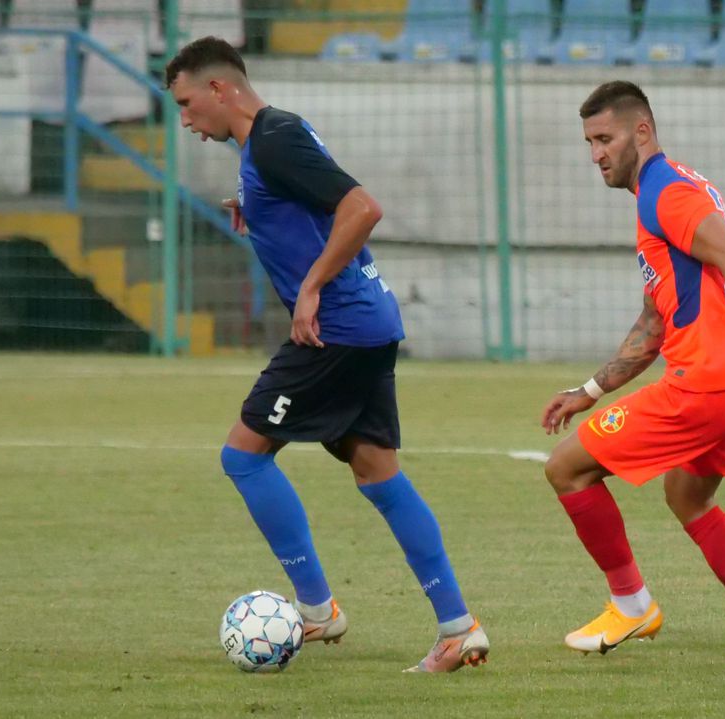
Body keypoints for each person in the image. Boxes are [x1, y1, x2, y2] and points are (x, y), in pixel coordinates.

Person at [164, 36, 488, 673]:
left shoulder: (274, 138)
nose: (184, 119)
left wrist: (310, 287)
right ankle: (458, 626)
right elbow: (317, 203)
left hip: (334, 328)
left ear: (218, 89)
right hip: (367, 323)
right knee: (378, 473)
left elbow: (362, 208)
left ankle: (316, 610)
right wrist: (255, 207)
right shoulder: (275, 136)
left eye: (184, 102)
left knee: (243, 456)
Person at [540, 81, 725, 662]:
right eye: (589, 142)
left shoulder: (664, 192)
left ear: (641, 132)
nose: (596, 153)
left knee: (566, 468)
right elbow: (654, 319)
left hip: (708, 381)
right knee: (689, 498)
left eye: (605, 138)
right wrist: (589, 390)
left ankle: (633, 607)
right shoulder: (678, 187)